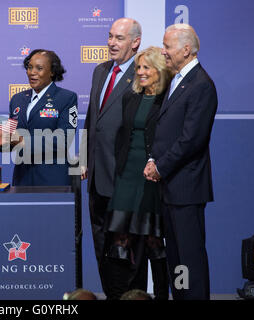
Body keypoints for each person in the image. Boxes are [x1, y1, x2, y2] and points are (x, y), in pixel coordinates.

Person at [144, 24, 217, 300]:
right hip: (170, 188)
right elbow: (166, 131)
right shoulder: (177, 80)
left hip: (186, 188)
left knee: (190, 260)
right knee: (176, 260)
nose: (163, 51)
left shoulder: (201, 84)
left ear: (186, 50)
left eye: (168, 46)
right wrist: (154, 159)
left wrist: (160, 167)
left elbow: (191, 140)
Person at [105, 46, 172, 300]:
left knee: (154, 240)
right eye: (138, 68)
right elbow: (124, 135)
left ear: (160, 70)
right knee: (122, 239)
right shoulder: (130, 97)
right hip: (127, 174)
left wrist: (158, 165)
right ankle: (128, 295)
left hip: (152, 176)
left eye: (146, 68)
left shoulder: (167, 99)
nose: (140, 73)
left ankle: (162, 295)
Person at [81, 17, 141, 298]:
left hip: (123, 182)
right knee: (101, 247)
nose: (111, 43)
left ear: (135, 42)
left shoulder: (143, 75)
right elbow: (92, 119)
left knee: (126, 252)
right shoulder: (100, 71)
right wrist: (82, 159)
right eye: (110, 36)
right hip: (96, 178)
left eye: (119, 38)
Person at [1, 49, 78, 186]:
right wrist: (0, 139)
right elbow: (8, 143)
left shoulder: (67, 98)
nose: (32, 72)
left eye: (39, 68)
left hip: (53, 179)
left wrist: (23, 140)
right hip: (22, 179)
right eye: (30, 67)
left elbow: (64, 139)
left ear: (52, 72)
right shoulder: (17, 99)